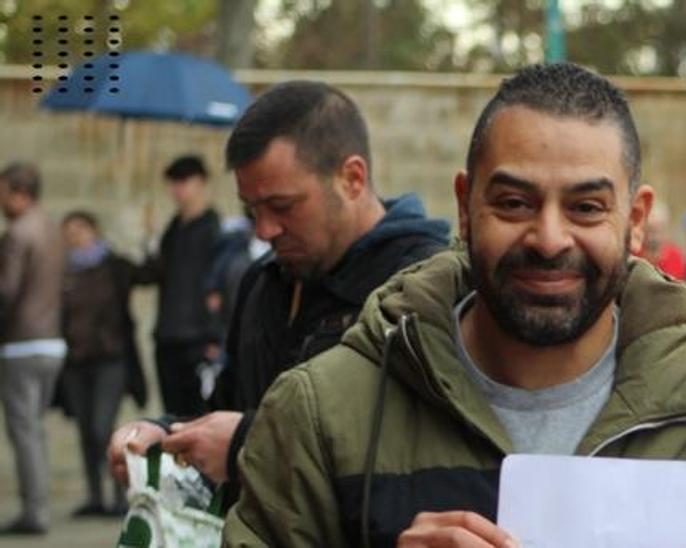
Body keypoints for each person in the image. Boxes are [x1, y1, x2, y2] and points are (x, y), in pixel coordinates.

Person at [222, 63, 686, 547]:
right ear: (465, 206)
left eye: (585, 207)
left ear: (635, 220)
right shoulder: (320, 415)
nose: (550, 238)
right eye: (513, 203)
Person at [106, 81, 453, 509]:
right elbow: (226, 409)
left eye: (283, 206)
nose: (264, 230)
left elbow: (425, 455)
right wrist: (166, 434)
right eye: (252, 210)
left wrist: (245, 446)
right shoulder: (262, 282)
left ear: (352, 178)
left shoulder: (427, 285)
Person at [59, 211, 147, 517]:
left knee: (101, 426)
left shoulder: (114, 266)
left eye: (80, 229)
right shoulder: (63, 272)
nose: (74, 236)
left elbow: (149, 272)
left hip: (111, 360)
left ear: (94, 230)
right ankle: (95, 496)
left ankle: (121, 495)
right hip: (76, 362)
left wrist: (148, 238)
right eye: (68, 231)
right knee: (85, 430)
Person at [0, 162, 65, 535]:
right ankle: (38, 507)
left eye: (5, 192)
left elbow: (5, 291)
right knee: (34, 430)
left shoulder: (17, 234)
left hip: (21, 344)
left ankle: (35, 512)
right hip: (51, 342)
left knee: (24, 432)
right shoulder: (53, 230)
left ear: (20, 194)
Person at [133, 155, 222, 417]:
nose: (178, 190)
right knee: (172, 417)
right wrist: (150, 239)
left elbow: (219, 289)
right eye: (173, 183)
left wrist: (215, 335)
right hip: (168, 336)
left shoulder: (213, 229)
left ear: (201, 182)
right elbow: (152, 274)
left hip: (199, 338)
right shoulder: (173, 229)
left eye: (184, 182)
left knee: (199, 415)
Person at [641, 199, 686, 280]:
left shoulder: (675, 257)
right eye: (650, 230)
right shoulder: (634, 254)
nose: (653, 237)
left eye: (658, 230)